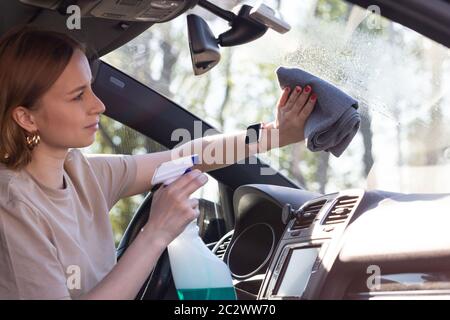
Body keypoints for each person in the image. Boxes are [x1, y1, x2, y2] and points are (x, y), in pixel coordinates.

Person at [0, 25, 317, 300]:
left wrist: (274, 135)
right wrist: (156, 233)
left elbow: (186, 157)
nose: (98, 104)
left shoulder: (81, 171)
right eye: (77, 95)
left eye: (90, 88)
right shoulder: (13, 206)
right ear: (26, 117)